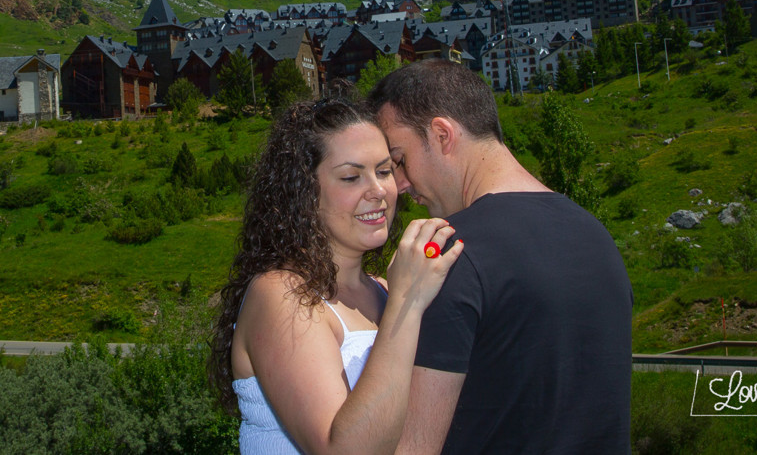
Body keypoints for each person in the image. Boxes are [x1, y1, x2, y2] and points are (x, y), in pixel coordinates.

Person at [368, 59, 633, 454]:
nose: (401, 185)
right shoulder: (596, 236)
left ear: (442, 134)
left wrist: (400, 306)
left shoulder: (444, 255)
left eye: (400, 160)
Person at [208, 97, 463, 455]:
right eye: (350, 176)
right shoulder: (280, 295)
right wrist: (407, 304)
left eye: (385, 170)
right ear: (303, 192)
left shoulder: (386, 291)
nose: (377, 191)